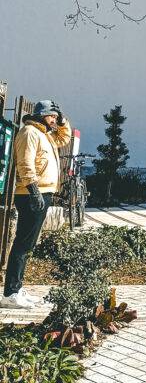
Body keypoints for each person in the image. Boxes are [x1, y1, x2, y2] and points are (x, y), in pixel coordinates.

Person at [2, 100, 71, 309]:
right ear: (42, 115)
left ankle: (17, 288)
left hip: (42, 193)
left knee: (28, 244)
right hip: (31, 194)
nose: (55, 121)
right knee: (22, 243)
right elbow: (25, 162)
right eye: (52, 116)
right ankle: (10, 293)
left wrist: (62, 117)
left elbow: (64, 137)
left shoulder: (45, 134)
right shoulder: (29, 133)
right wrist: (33, 191)